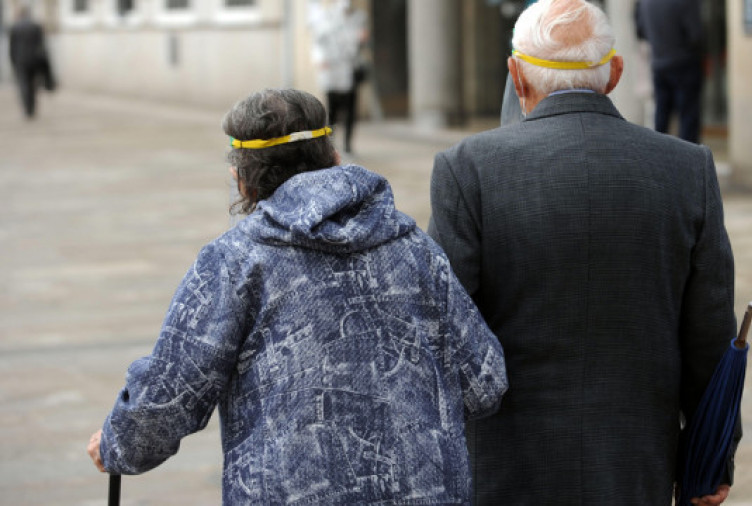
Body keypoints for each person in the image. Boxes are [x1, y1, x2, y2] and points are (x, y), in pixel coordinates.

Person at [86, 88, 508, 504]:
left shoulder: (233, 263)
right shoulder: (413, 246)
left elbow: (167, 399)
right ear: (335, 158)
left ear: (243, 182)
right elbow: (485, 384)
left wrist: (116, 444)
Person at [427, 0, 738, 504]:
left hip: (507, 461)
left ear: (516, 78)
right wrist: (712, 454)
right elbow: (709, 333)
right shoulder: (687, 168)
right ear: (615, 73)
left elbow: (442, 330)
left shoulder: (468, 169)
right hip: (638, 461)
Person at [635, 0, 705, 143]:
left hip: (659, 64)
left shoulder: (644, 3)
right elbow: (696, 36)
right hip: (685, 64)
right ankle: (688, 161)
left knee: (661, 116)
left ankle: (658, 158)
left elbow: (641, 32)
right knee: (688, 118)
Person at [310, 0, 368, 155]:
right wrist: (320, 59)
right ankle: (331, 143)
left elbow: (359, 42)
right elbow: (318, 41)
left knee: (350, 109)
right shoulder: (327, 18)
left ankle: (348, 143)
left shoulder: (359, 17)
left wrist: (361, 38)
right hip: (332, 71)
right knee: (332, 109)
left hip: (349, 69)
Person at [9, 6, 53, 119]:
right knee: (33, 83)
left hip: (21, 60)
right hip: (34, 59)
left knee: (24, 84)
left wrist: (13, 61)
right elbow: (42, 45)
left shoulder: (15, 27)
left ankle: (27, 108)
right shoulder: (35, 26)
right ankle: (32, 107)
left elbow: (12, 47)